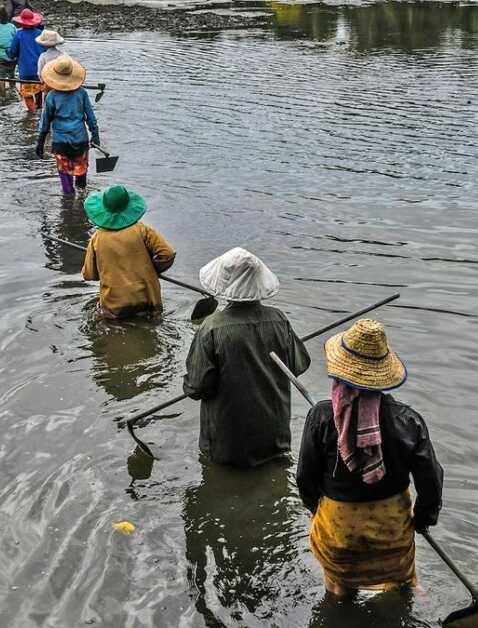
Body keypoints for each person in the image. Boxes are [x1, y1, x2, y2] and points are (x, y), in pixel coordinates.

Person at [296, 319, 444, 599]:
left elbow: (305, 478)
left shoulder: (322, 418)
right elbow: (431, 482)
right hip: (392, 536)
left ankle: (341, 597)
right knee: (401, 582)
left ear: (339, 376)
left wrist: (316, 509)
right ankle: (408, 590)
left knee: (338, 589)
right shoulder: (408, 421)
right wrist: (422, 519)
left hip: (338, 537)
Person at [182, 248, 311, 468]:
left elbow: (198, 387)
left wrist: (188, 383)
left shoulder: (211, 327)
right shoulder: (279, 319)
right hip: (274, 436)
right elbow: (300, 364)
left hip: (228, 442)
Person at [81, 185, 176, 319]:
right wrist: (153, 269)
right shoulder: (143, 230)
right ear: (128, 208)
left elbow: (89, 274)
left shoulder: (97, 238)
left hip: (114, 306)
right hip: (148, 301)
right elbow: (168, 254)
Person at [36, 56, 99, 197]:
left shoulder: (51, 96)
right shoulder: (81, 93)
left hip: (61, 142)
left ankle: (68, 207)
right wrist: (95, 135)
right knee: (81, 174)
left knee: (66, 179)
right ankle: (82, 204)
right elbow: (91, 118)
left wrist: (40, 142)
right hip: (80, 140)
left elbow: (45, 121)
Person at [6, 9, 46, 112]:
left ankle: (32, 117)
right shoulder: (41, 33)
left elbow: (12, 54)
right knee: (39, 92)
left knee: (27, 95)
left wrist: (8, 51)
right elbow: (46, 50)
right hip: (40, 70)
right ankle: (40, 113)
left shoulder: (18, 35)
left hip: (25, 72)